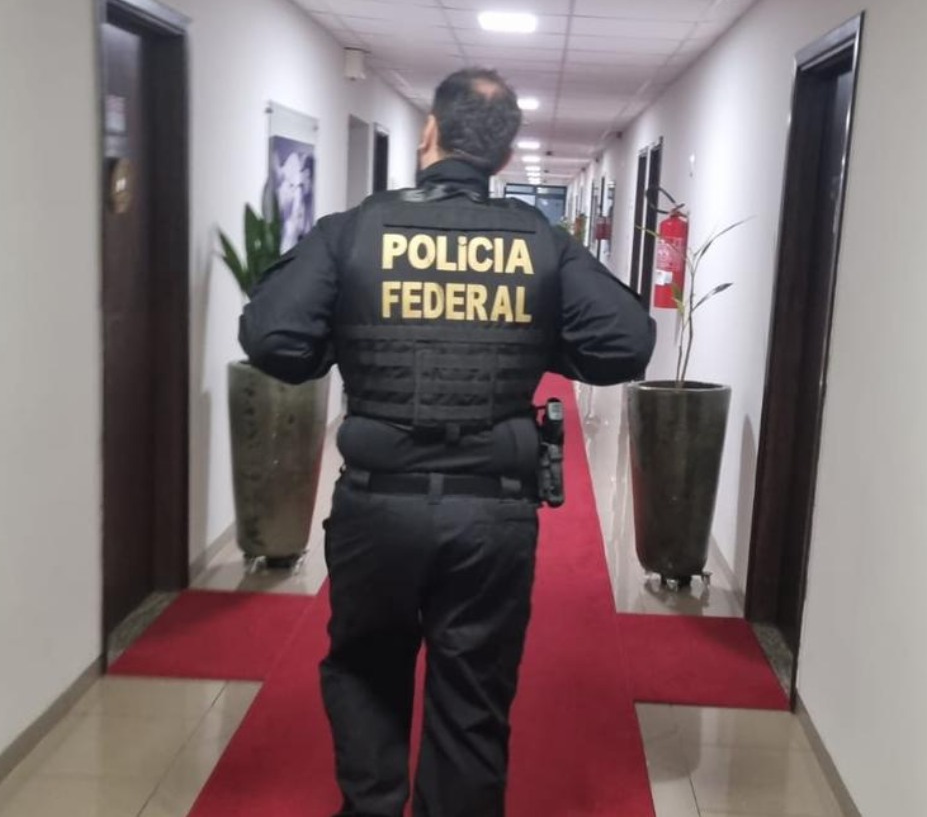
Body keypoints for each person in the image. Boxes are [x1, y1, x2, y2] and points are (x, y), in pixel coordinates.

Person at [239, 68, 656, 817]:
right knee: (472, 694)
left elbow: (272, 337)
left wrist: (341, 339)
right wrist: (538, 341)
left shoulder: (354, 229)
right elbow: (626, 343)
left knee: (367, 673)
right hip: (492, 516)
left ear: (429, 133)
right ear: (505, 156)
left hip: (377, 509)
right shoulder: (537, 240)